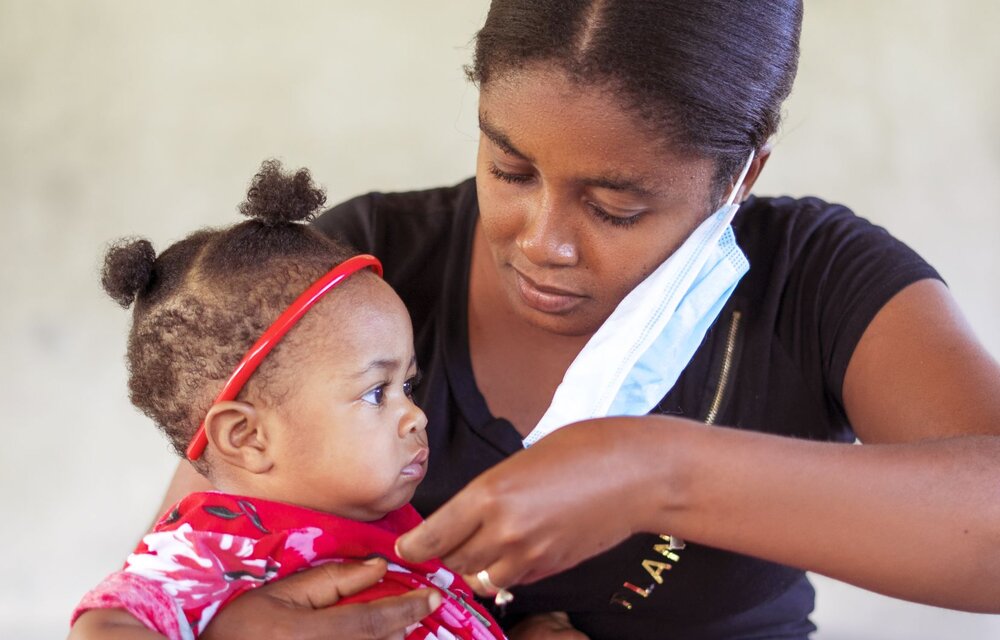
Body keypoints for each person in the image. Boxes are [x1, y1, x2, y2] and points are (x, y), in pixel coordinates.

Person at [75, 1, 1000, 639]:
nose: (541, 242)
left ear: (741, 176)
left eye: (615, 206)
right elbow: (180, 558)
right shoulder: (354, 283)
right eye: (509, 169)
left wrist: (655, 472)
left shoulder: (817, 280)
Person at [68, 161, 507, 640]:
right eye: (376, 392)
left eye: (407, 386)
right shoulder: (217, 546)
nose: (415, 417)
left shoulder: (391, 526)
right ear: (248, 436)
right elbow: (102, 626)